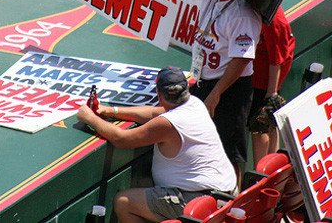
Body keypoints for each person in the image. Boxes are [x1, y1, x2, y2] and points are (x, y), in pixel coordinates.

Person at [164, 0, 286, 187]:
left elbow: (242, 60)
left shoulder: (243, 14)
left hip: (230, 89)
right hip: (204, 80)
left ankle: (231, 198)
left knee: (230, 149)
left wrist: (215, 95)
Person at [77, 66, 236, 222]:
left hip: (197, 201)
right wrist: (111, 111)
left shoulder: (167, 124)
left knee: (123, 202)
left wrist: (90, 118)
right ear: (186, 89)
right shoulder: (195, 104)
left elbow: (122, 139)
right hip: (224, 195)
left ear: (159, 95)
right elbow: (154, 113)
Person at [248, 5, 295, 168]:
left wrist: (271, 93)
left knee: (260, 124)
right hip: (258, 75)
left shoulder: (274, 19)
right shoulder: (264, 10)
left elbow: (277, 60)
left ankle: (260, 172)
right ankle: (271, 169)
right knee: (269, 123)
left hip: (263, 81)